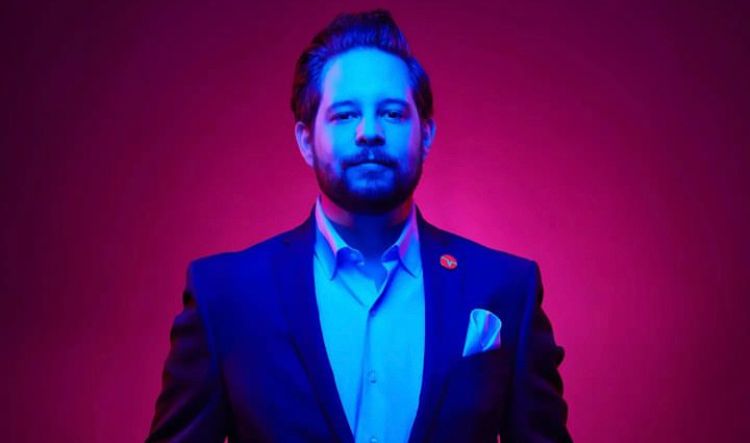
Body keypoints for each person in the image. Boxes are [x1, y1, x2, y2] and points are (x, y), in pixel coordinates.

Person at [146, 9, 572, 443]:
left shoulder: (505, 288)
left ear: (426, 135)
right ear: (306, 141)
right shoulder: (225, 297)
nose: (369, 132)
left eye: (392, 113)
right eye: (345, 115)